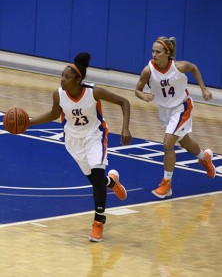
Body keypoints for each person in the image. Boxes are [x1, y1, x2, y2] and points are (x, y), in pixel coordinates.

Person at [29, 52, 132, 241]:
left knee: (97, 175)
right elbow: (53, 114)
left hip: (95, 137)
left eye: (67, 77)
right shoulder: (58, 94)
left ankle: (98, 222)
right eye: (62, 76)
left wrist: (125, 128)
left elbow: (124, 102)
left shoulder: (94, 92)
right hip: (73, 141)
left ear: (78, 79)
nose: (62, 80)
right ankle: (112, 182)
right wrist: (29, 123)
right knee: (97, 181)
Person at [135, 36, 215, 199]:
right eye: (152, 51)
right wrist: (143, 96)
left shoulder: (178, 66)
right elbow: (137, 89)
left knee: (168, 143)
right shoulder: (148, 70)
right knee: (185, 142)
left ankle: (167, 183)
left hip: (182, 107)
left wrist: (203, 89)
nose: (154, 54)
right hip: (165, 111)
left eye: (158, 52)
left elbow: (194, 68)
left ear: (167, 53)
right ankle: (204, 157)